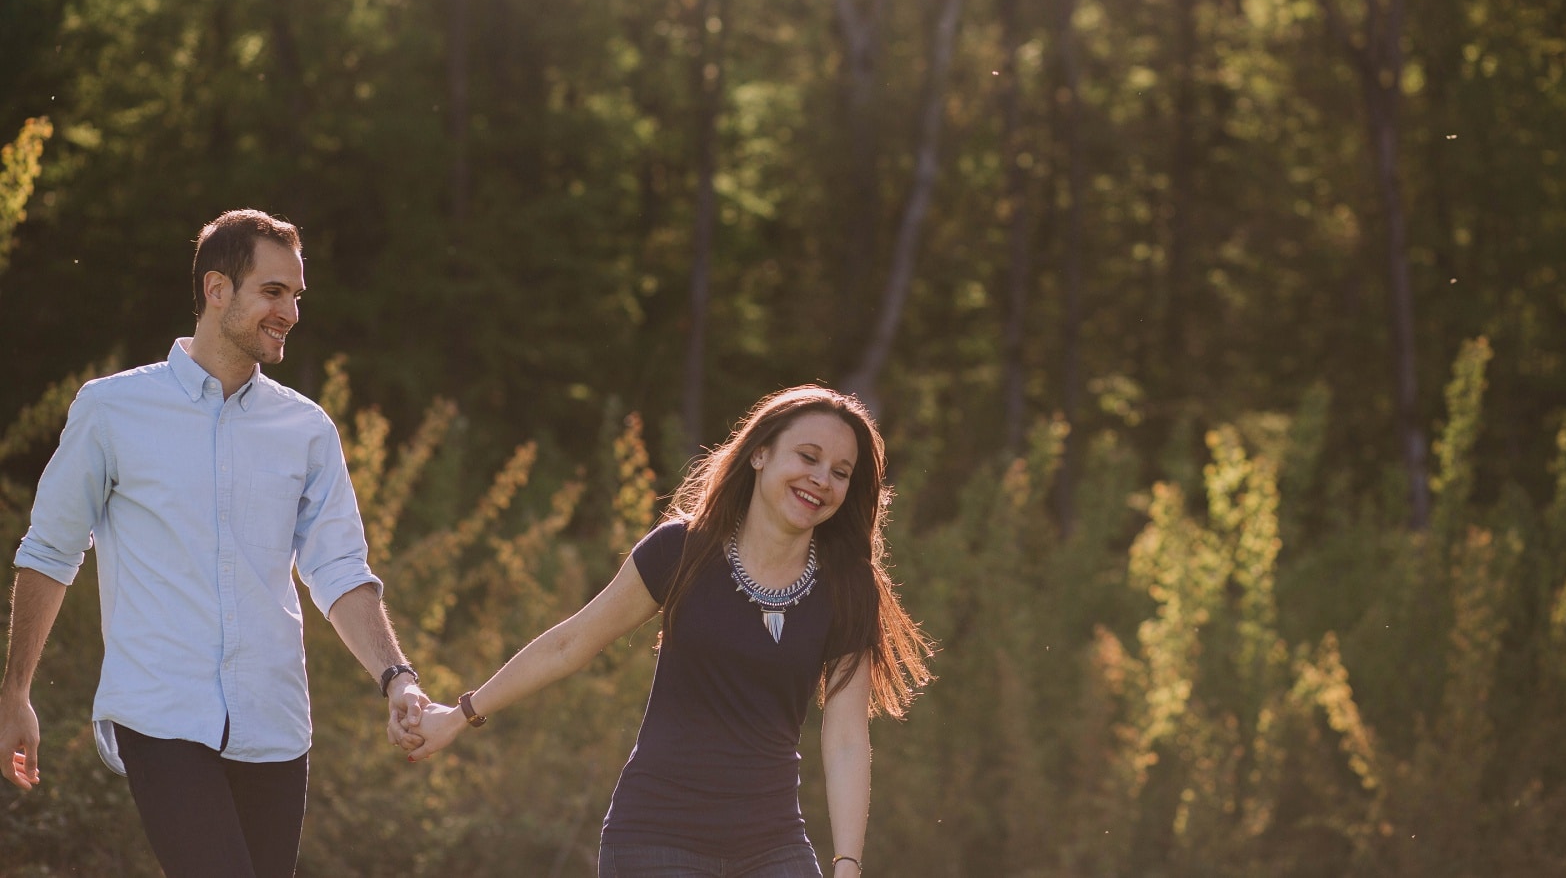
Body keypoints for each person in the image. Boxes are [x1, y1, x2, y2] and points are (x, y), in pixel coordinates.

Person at [0, 208, 429, 878]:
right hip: (161, 715)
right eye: (273, 291)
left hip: (275, 721)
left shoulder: (306, 430)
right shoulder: (112, 410)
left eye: (295, 296)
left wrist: (397, 677)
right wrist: (15, 690)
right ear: (217, 289)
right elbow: (50, 552)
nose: (289, 311)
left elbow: (340, 569)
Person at [408, 384, 935, 878]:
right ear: (760, 454)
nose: (822, 479)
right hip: (654, 840)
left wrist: (847, 864)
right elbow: (572, 642)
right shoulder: (680, 551)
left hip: (774, 846)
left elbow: (845, 739)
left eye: (841, 472)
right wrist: (461, 714)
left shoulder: (848, 588)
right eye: (808, 457)